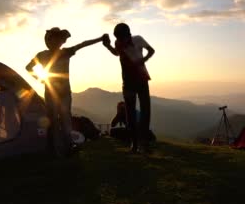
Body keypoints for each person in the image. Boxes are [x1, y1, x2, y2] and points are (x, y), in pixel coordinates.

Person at [26, 27, 107, 157]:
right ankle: (62, 148)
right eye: (55, 39)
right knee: (62, 120)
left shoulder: (44, 55)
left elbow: (28, 68)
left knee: (59, 120)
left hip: (55, 92)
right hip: (59, 93)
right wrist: (40, 79)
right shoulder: (58, 53)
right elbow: (83, 44)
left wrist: (40, 79)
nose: (57, 42)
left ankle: (59, 148)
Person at [102, 23, 155, 153]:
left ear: (128, 35)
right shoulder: (118, 42)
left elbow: (151, 50)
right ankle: (134, 144)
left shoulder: (138, 39)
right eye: (118, 38)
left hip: (142, 79)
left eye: (121, 38)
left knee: (145, 111)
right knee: (129, 113)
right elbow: (116, 53)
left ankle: (144, 144)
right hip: (128, 82)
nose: (119, 41)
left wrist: (144, 60)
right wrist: (108, 45)